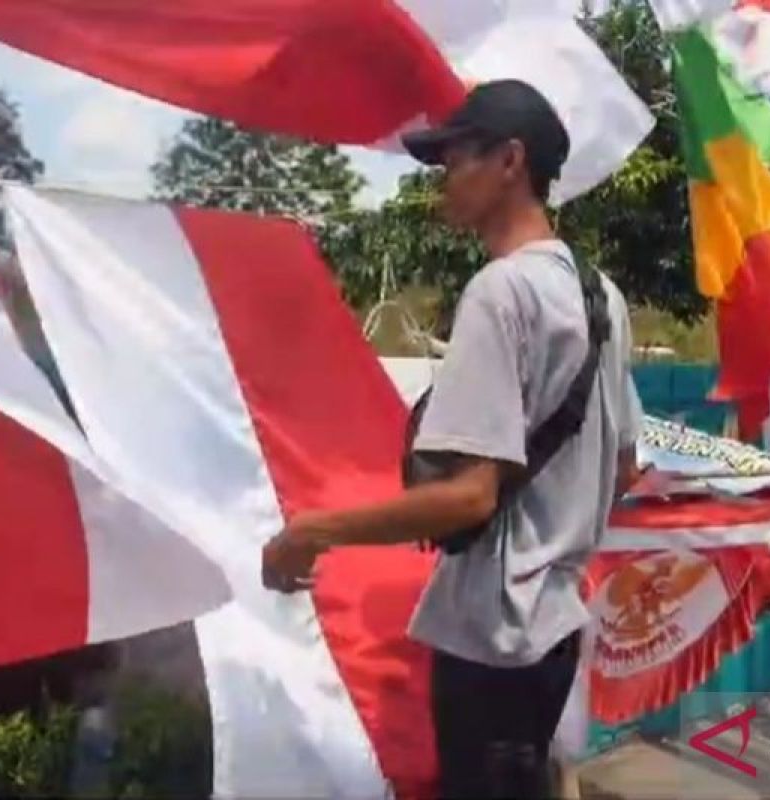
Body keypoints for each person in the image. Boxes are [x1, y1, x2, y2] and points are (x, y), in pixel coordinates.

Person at [261, 79, 644, 799]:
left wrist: (312, 530)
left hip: (494, 639)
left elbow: (469, 496)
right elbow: (624, 464)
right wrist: (554, 534)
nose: (443, 179)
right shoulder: (602, 295)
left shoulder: (501, 292)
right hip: (558, 625)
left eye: (456, 158)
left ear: (510, 160)